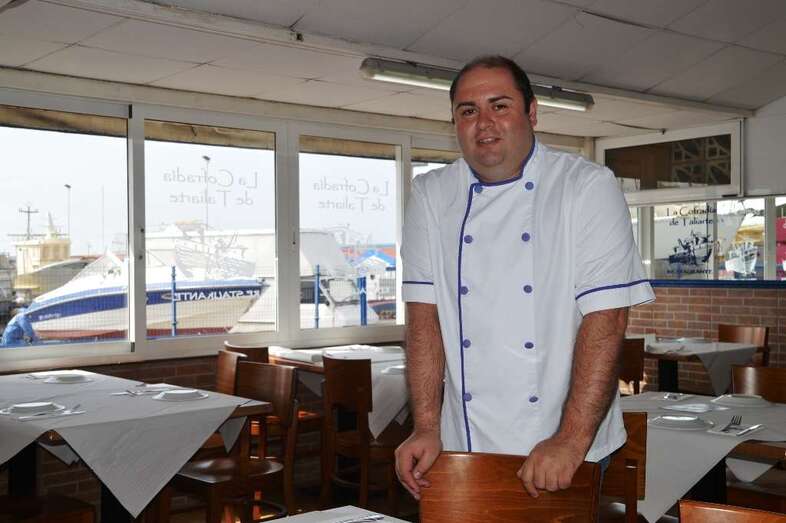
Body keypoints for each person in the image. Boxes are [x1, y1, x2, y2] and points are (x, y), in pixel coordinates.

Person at [395, 55, 654, 499]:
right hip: (464, 443)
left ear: (531, 113)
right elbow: (424, 317)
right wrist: (426, 426)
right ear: (454, 121)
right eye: (468, 110)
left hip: (564, 441)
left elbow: (607, 321)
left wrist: (570, 440)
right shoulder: (431, 192)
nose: (484, 123)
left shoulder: (586, 187)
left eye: (500, 105)